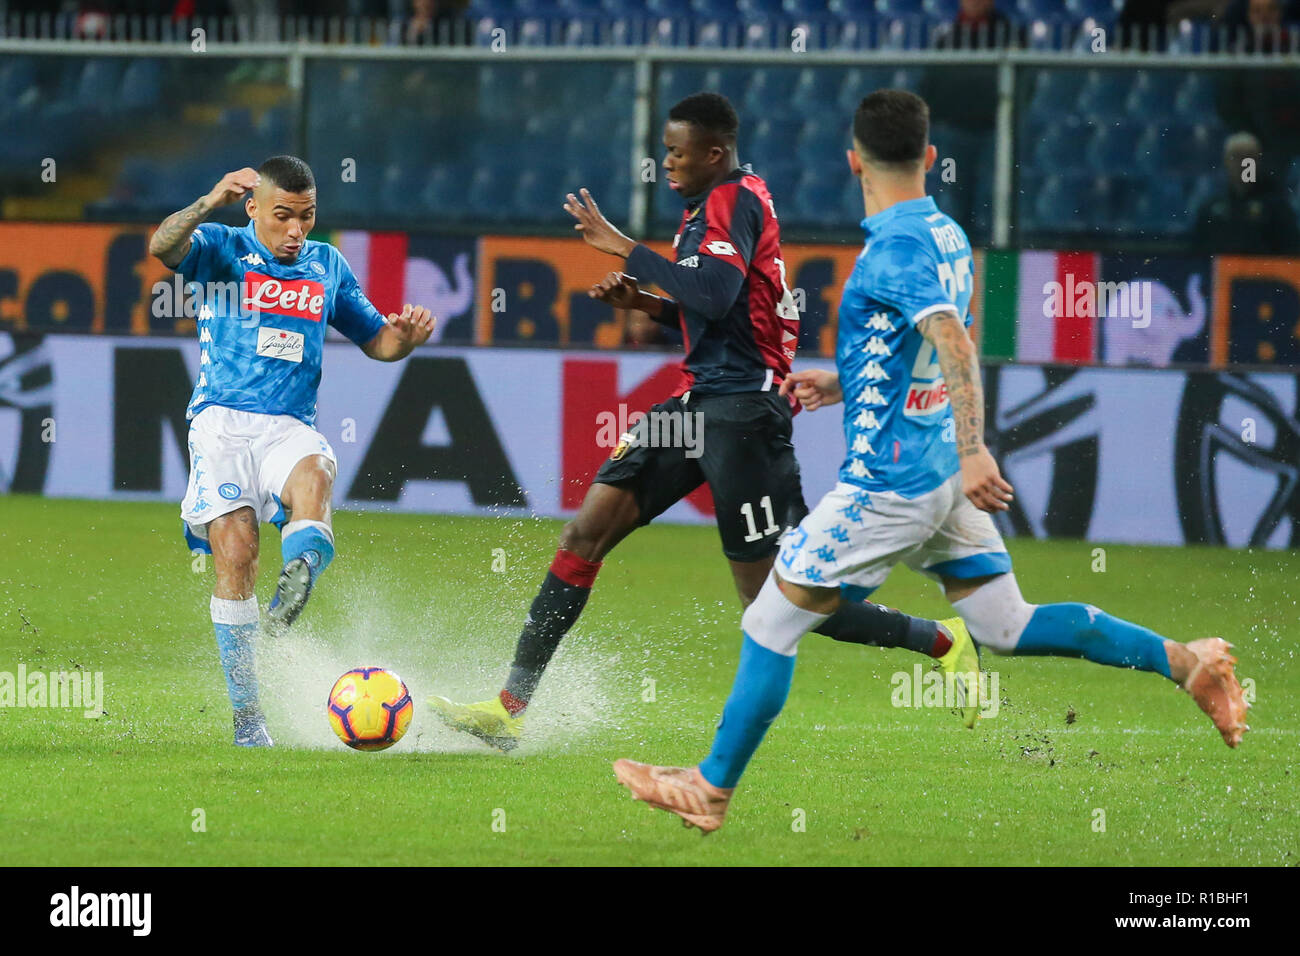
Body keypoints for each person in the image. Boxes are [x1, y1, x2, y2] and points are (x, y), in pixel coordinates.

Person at [613, 90, 1250, 832]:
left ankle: (711, 787)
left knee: (769, 622)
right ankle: (1187, 662)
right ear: (927, 157)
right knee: (1007, 625)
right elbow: (918, 345)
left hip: (893, 481)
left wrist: (978, 449)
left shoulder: (892, 250)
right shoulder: (945, 234)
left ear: (853, 161)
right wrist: (846, 379)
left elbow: (952, 339)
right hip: (938, 472)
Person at [429, 93, 982, 752]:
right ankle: (510, 708)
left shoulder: (732, 199)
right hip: (697, 408)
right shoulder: (711, 208)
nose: (665, 162)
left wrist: (626, 250)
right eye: (665, 149)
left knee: (776, 600)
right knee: (585, 531)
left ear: (714, 153)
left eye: (676, 151)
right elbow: (722, 312)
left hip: (744, 414)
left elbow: (716, 295)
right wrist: (647, 302)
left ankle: (944, 639)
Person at [149, 156, 436, 746]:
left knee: (316, 472)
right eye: (283, 216)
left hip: (287, 425)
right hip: (221, 424)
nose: (296, 230)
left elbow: (376, 340)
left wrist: (403, 340)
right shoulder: (222, 248)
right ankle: (249, 718)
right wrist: (207, 201)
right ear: (253, 208)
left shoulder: (326, 265)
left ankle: (301, 572)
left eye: (307, 217)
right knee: (236, 555)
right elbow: (162, 244)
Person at [1193, 131, 1300, 254]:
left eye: (1249, 157)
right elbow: (1198, 255)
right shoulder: (1210, 209)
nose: (1243, 164)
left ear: (1258, 162)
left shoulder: (1277, 209)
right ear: (1226, 161)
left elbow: (1291, 253)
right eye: (1236, 156)